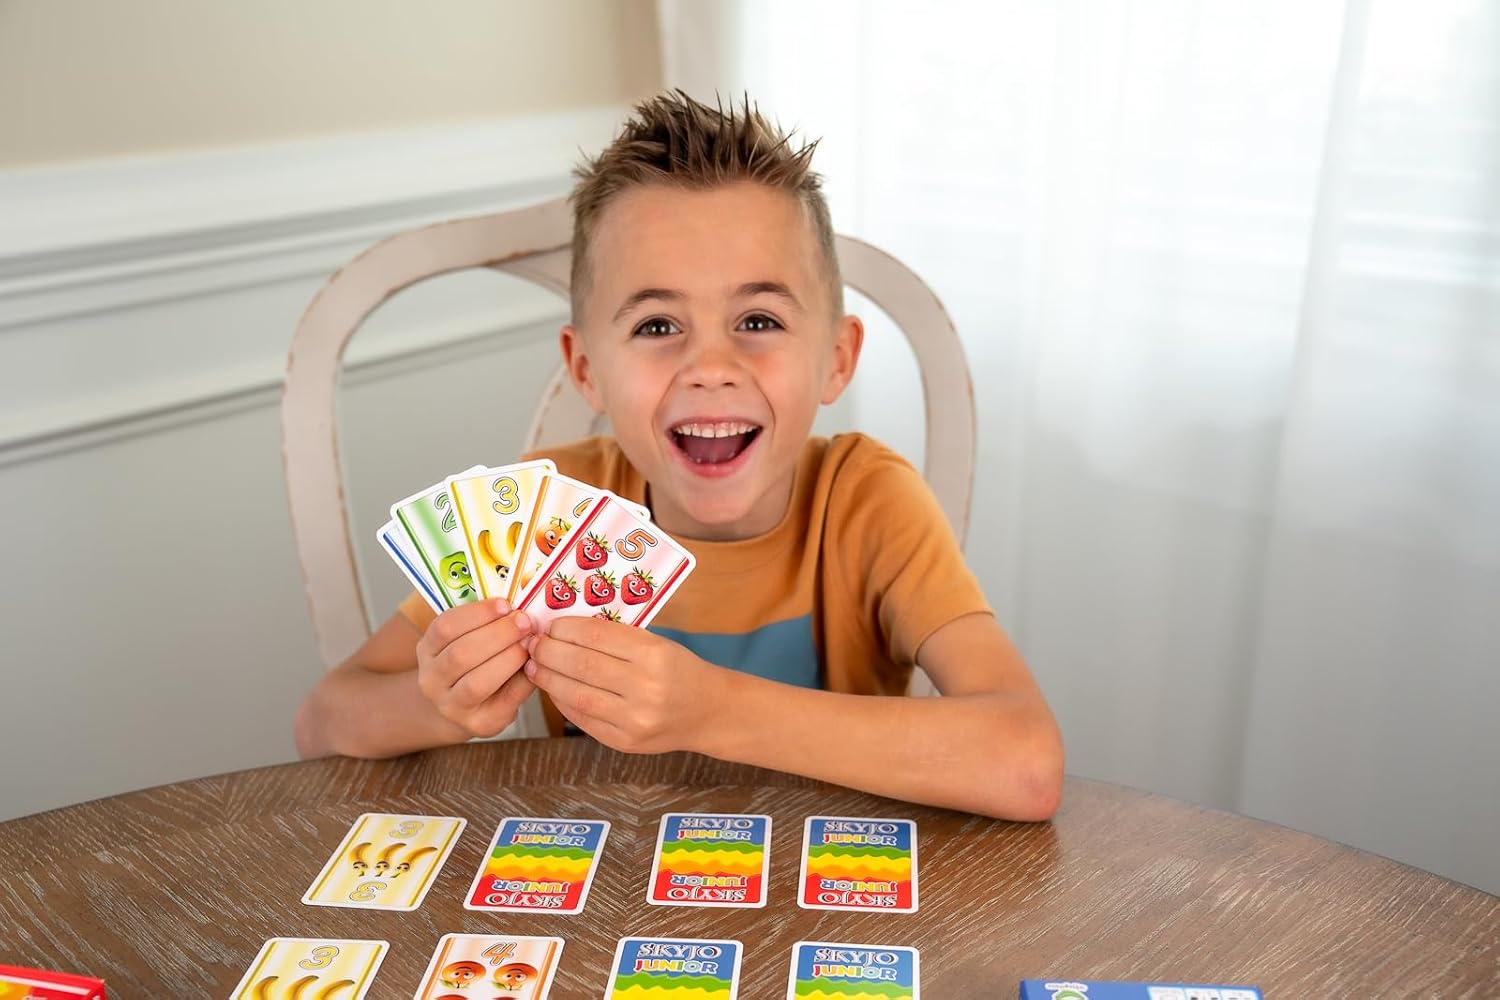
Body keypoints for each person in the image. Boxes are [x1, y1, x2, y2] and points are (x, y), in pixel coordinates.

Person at [295, 91, 1063, 821]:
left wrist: (714, 711)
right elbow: (323, 721)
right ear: (587, 369)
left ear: (836, 359)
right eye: (658, 327)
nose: (710, 367)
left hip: (829, 886)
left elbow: (1026, 763)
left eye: (758, 320)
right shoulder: (544, 513)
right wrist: (440, 702)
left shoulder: (868, 503)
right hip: (605, 882)